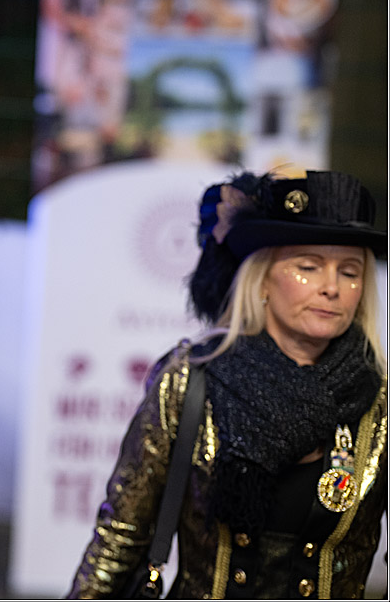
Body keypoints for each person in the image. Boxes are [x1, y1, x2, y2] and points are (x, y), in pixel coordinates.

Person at [69, 170, 387, 599]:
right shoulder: (191, 379)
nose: (332, 288)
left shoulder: (379, 403)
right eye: (308, 267)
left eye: (350, 272)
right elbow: (121, 537)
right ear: (261, 281)